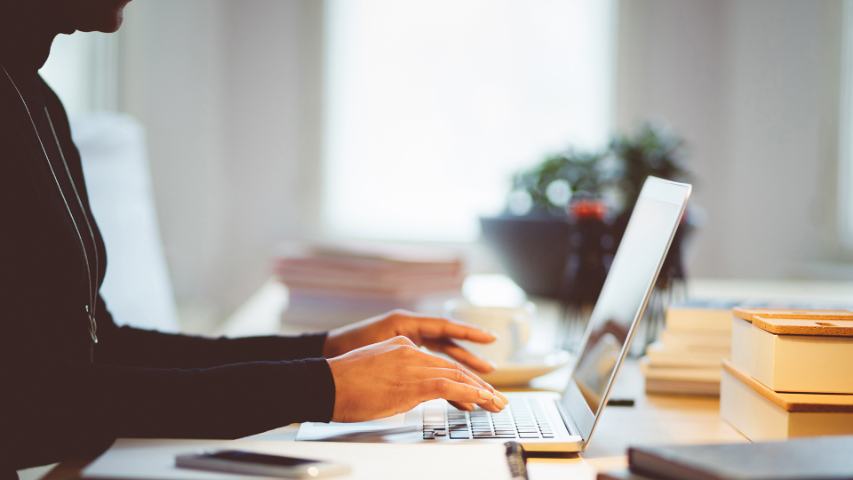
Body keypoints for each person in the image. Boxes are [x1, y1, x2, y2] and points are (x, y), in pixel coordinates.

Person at [0, 0, 506, 473]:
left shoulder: (37, 99)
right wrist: (318, 387)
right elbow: (33, 408)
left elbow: (102, 349)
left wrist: (327, 350)